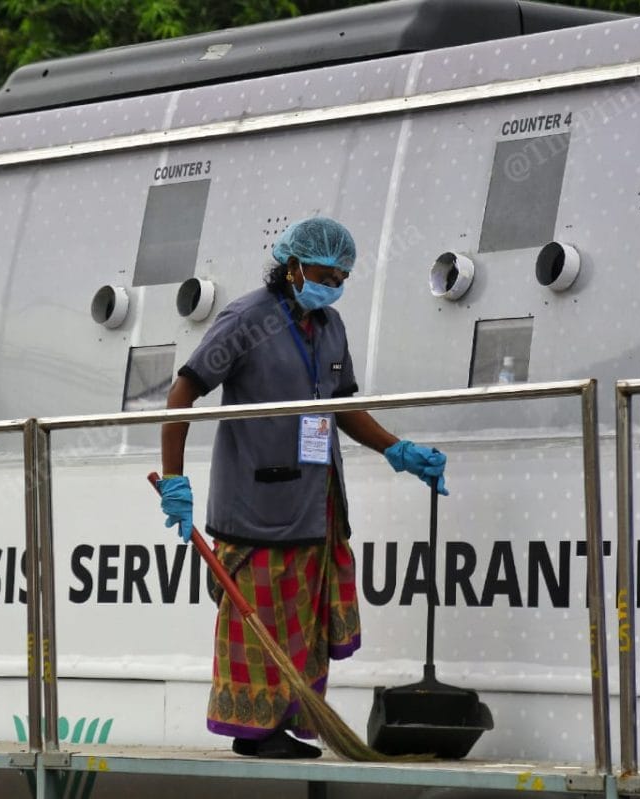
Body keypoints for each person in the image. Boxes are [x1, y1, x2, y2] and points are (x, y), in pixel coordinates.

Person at [157, 216, 447, 759]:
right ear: (292, 266)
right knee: (259, 618)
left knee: (304, 622)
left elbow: (341, 406)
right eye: (325, 274)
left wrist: (398, 451)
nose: (334, 285)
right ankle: (253, 730)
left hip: (316, 499)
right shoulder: (246, 320)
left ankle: (288, 722)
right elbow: (183, 392)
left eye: (342, 277)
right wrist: (174, 479)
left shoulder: (331, 325)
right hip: (256, 502)